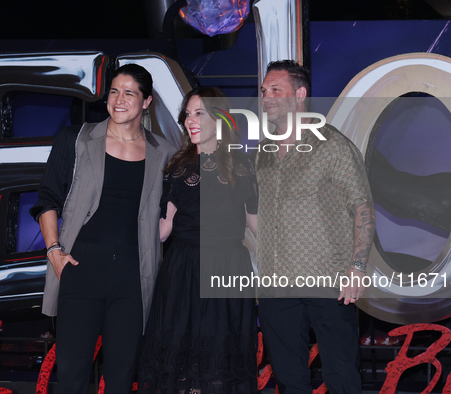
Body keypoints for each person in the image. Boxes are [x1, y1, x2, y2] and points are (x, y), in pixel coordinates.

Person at [29, 63, 176, 394]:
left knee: (122, 379)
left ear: (147, 101)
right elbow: (48, 199)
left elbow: (170, 212)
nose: (118, 99)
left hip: (132, 278)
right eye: (113, 91)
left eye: (129, 93)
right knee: (71, 376)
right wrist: (54, 252)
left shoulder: (163, 152)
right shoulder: (76, 139)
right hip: (80, 268)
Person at [254, 60, 375, 394]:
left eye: (276, 89)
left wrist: (358, 269)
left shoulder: (332, 145)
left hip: (329, 281)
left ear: (301, 94)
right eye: (264, 91)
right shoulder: (263, 149)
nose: (267, 98)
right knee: (289, 378)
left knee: (341, 375)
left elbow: (362, 207)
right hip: (275, 283)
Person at [137, 87, 259, 394]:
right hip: (184, 269)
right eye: (187, 114)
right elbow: (163, 229)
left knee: (220, 355)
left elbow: (256, 224)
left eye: (199, 113)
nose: (190, 120)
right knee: (182, 353)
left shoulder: (241, 165)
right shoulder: (178, 166)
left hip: (228, 268)